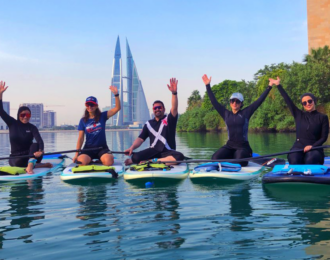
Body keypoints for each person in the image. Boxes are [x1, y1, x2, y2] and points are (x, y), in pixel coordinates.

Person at [202, 74, 272, 166]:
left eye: (237, 101)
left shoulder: (246, 113)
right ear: (230, 103)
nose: (235, 103)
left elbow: (259, 101)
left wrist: (269, 86)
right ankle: (232, 158)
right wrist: (207, 85)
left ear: (241, 103)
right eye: (233, 101)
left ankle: (239, 158)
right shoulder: (226, 114)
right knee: (214, 158)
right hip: (229, 146)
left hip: (243, 147)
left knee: (239, 161)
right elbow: (214, 102)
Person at [269, 77, 329, 164]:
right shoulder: (299, 115)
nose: (307, 104)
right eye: (304, 103)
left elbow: (323, 138)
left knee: (310, 159)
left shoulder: (323, 117)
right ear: (303, 105)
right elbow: (288, 101)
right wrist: (278, 85)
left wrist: (312, 146)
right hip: (298, 146)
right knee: (294, 159)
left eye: (309, 101)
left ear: (314, 101)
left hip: (315, 147)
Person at [124, 78, 184, 165]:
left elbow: (174, 108)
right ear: (153, 110)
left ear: (164, 109)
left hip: (168, 151)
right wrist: (132, 148)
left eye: (159, 107)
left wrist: (174, 93)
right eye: (155, 108)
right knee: (135, 157)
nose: (157, 109)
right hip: (153, 151)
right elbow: (140, 139)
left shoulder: (169, 119)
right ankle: (153, 160)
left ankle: (151, 161)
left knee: (179, 157)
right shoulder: (148, 124)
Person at [0, 81, 49, 174]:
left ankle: (30, 165)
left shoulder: (32, 127)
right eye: (23, 114)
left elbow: (40, 141)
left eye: (28, 115)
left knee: (35, 145)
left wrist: (40, 151)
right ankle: (36, 164)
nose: (25, 116)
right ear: (19, 115)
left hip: (31, 155)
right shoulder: (12, 123)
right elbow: (1, 111)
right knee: (20, 162)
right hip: (16, 158)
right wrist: (0, 94)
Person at [72, 86, 121, 166]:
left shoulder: (103, 116)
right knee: (81, 163)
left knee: (109, 162)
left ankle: (101, 159)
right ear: (86, 106)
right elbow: (80, 139)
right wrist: (76, 154)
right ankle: (90, 160)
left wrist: (116, 95)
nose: (90, 107)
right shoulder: (83, 120)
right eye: (88, 105)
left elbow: (117, 108)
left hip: (102, 148)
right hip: (88, 148)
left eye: (92, 105)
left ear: (96, 106)